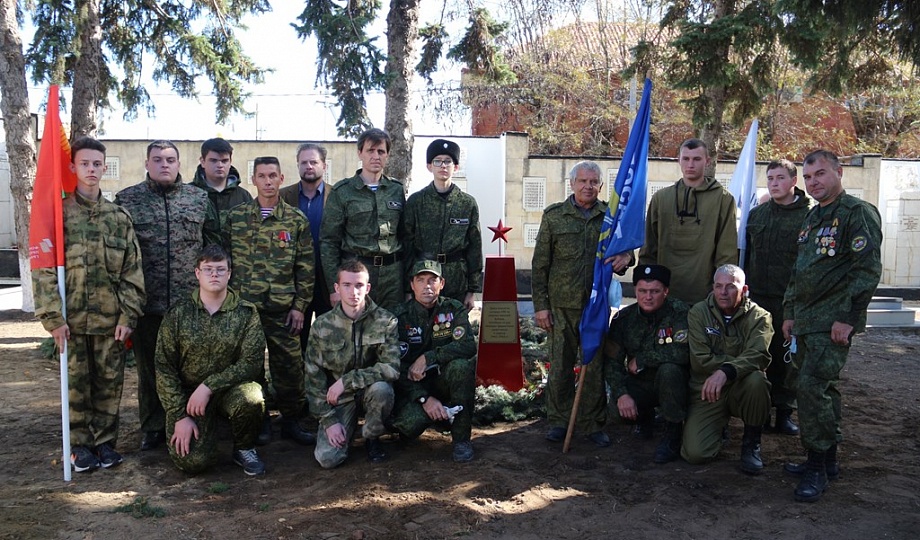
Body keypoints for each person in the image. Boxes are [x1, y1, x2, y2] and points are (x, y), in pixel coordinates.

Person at [33, 137, 146, 472]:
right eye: (85, 164)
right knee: (76, 386)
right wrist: (53, 317)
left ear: (104, 167)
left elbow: (132, 271)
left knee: (110, 384)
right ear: (73, 167)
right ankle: (80, 446)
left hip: (110, 321)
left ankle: (105, 443)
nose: (91, 169)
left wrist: (128, 315)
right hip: (72, 321)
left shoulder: (118, 218)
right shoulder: (59, 215)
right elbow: (43, 270)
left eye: (97, 164)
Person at [781, 150, 882, 503]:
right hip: (806, 321)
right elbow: (799, 270)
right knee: (825, 390)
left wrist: (848, 317)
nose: (813, 182)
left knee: (810, 388)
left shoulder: (856, 213)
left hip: (833, 322)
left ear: (839, 172)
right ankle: (828, 459)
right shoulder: (813, 217)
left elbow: (867, 270)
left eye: (821, 174)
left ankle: (817, 468)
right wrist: (790, 311)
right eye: (808, 177)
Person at [115, 140, 219, 452]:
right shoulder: (127, 200)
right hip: (147, 302)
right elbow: (120, 254)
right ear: (147, 164)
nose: (164, 164)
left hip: (190, 303)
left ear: (179, 164)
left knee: (192, 367)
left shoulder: (198, 199)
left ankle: (192, 419)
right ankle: (152, 426)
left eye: (170, 159)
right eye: (158, 159)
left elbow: (214, 248)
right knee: (149, 370)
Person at [531, 160, 634, 447]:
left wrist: (627, 258)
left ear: (601, 186)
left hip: (595, 307)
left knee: (594, 365)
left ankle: (592, 423)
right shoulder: (554, 216)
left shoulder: (610, 217)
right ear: (572, 184)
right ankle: (559, 421)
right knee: (561, 366)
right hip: (561, 306)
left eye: (593, 182)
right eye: (582, 181)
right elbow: (540, 265)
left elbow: (626, 253)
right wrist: (541, 306)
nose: (588, 186)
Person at [222, 156, 315, 446]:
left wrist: (300, 307)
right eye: (261, 176)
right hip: (244, 310)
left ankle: (291, 420)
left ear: (281, 178)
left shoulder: (295, 220)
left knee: (289, 367)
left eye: (273, 175)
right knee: (250, 368)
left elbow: (305, 267)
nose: (268, 181)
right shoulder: (236, 218)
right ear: (253, 180)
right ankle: (259, 420)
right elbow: (224, 264)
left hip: (282, 309)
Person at [155, 245, 267, 476]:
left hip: (229, 390)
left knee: (252, 398)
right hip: (189, 397)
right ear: (197, 273)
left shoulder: (246, 313)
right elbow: (164, 367)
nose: (214, 274)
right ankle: (206, 434)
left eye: (220, 269)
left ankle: (244, 447)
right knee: (193, 463)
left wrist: (209, 386)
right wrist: (179, 415)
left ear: (229, 273)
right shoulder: (178, 313)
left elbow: (252, 363)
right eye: (208, 269)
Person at [304, 260, 400, 468]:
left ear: (368, 288)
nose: (353, 292)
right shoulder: (322, 326)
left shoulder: (386, 321)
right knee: (328, 459)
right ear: (337, 288)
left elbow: (391, 367)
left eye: (359, 285)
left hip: (370, 392)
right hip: (339, 399)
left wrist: (347, 381)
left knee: (382, 390)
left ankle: (372, 436)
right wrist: (329, 421)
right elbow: (313, 379)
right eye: (346, 285)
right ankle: (346, 426)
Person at [682, 264, 772, 474]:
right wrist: (739, 363)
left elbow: (759, 355)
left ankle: (751, 443)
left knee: (757, 380)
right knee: (695, 454)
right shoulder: (698, 313)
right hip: (707, 389)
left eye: (731, 286)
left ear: (744, 289)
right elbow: (700, 360)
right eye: (718, 286)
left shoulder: (760, 317)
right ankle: (717, 429)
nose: (723, 292)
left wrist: (727, 371)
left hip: (742, 386)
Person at [745, 159, 810, 436]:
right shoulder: (757, 215)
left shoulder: (809, 217)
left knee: (787, 360)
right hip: (758, 299)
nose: (774, 183)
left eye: (780, 178)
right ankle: (759, 411)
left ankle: (784, 413)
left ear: (794, 181)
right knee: (759, 355)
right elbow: (747, 255)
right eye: (770, 178)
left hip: (790, 301)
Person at [391, 260, 477, 462]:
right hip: (413, 388)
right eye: (420, 280)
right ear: (412, 285)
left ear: (442, 284)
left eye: (432, 280)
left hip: (443, 381)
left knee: (461, 367)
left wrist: (429, 357)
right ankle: (428, 419)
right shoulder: (398, 317)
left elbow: (467, 345)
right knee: (409, 425)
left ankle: (461, 440)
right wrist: (423, 398)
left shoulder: (453, 309)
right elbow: (394, 366)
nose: (427, 286)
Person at [604, 264, 690, 464]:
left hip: (674, 383)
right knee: (616, 411)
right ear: (635, 290)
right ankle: (644, 418)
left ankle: (673, 433)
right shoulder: (624, 318)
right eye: (642, 291)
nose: (648, 297)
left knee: (669, 370)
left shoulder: (679, 313)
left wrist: (644, 359)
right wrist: (622, 395)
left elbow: (682, 352)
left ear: (666, 291)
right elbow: (612, 361)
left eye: (655, 291)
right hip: (641, 382)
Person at [639, 138, 738, 304]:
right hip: (664, 295)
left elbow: (726, 253)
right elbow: (649, 248)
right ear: (678, 160)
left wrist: (721, 292)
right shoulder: (661, 199)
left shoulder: (723, 199)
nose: (690, 164)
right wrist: (647, 287)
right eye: (686, 159)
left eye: (697, 159)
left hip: (705, 297)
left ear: (707, 161)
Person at [320, 128, 406, 309]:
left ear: (387, 155)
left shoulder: (396, 190)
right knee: (357, 324)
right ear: (360, 153)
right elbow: (329, 241)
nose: (376, 156)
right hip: (356, 275)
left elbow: (404, 236)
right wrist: (334, 287)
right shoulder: (342, 191)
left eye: (381, 151)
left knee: (393, 323)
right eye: (370, 150)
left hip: (392, 278)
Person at [403, 139, 482, 309]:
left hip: (456, 279)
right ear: (429, 166)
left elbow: (474, 247)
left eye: (448, 161)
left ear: (456, 167)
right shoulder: (416, 202)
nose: (443, 166)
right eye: (437, 161)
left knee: (455, 323)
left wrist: (472, 290)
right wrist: (408, 288)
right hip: (424, 279)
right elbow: (407, 245)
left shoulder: (467, 204)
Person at [280, 143, 333, 350]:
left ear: (324, 166)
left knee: (328, 340)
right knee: (295, 340)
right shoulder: (283, 197)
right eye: (304, 162)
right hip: (295, 281)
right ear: (298, 165)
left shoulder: (337, 195)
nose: (308, 166)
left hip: (327, 279)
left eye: (313, 162)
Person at [190, 137, 253, 232]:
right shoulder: (189, 194)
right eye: (213, 160)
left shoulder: (243, 197)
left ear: (230, 162)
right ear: (202, 162)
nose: (220, 165)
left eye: (224, 161)